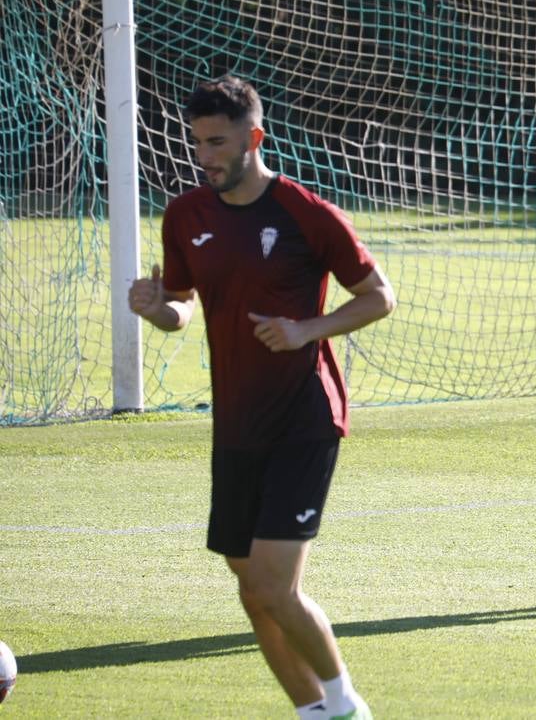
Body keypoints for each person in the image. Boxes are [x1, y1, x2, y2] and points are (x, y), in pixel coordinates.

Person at [128, 76, 395, 719]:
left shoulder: (307, 213)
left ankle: (347, 705)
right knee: (253, 591)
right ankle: (312, 713)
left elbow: (379, 296)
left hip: (304, 415)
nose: (205, 156)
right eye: (197, 144)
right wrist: (155, 307)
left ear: (254, 138)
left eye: (217, 142)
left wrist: (307, 328)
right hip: (237, 422)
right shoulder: (186, 214)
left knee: (276, 585)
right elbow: (183, 309)